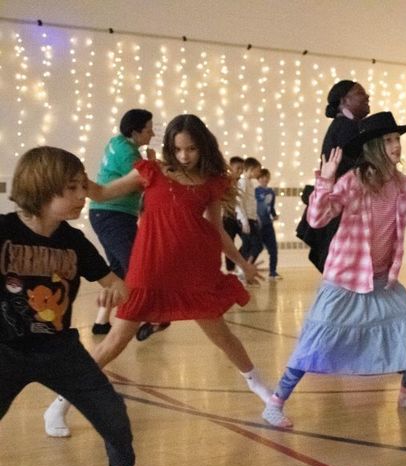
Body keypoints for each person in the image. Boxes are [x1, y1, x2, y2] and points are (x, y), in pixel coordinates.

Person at [43, 114, 271, 438]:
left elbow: (217, 229)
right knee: (115, 341)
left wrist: (242, 263)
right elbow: (103, 192)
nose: (184, 156)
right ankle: (60, 403)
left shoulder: (211, 182)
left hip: (193, 269)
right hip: (148, 268)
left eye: (191, 149)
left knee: (222, 335)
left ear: (203, 146)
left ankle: (261, 388)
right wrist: (75, 178)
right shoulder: (151, 171)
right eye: (177, 149)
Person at [263, 111, 406, 428]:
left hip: (382, 281)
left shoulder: (404, 186)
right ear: (374, 147)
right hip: (343, 279)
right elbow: (317, 219)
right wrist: (324, 181)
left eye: (397, 139)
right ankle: (275, 403)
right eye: (388, 140)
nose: (396, 145)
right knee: (313, 343)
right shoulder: (352, 181)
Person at [2, 146, 147, 466]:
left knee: (111, 411)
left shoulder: (74, 241)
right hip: (6, 349)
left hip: (59, 350)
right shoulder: (4, 231)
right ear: (41, 189)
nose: (83, 195)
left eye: (83, 186)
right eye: (72, 188)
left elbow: (117, 284)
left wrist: (115, 291)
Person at [89, 108, 167, 342]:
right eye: (149, 129)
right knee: (137, 265)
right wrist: (152, 163)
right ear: (135, 131)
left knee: (119, 271)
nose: (152, 133)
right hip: (114, 214)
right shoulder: (127, 152)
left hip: (105, 214)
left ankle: (101, 322)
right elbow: (145, 180)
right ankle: (147, 318)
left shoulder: (117, 143)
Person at [296, 80, 371, 272]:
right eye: (360, 93)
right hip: (342, 209)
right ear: (345, 100)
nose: (367, 96)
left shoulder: (342, 126)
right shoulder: (347, 127)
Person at [236, 157, 264, 271]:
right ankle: (244, 268)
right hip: (245, 219)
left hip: (251, 219)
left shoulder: (249, 183)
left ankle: (243, 268)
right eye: (258, 170)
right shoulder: (242, 182)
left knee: (248, 245)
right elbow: (239, 202)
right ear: (251, 169)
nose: (259, 173)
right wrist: (244, 221)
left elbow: (250, 203)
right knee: (256, 245)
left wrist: (256, 217)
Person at [255, 168, 281, 280]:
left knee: (273, 249)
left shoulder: (271, 192)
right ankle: (247, 269)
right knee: (256, 248)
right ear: (258, 179)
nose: (264, 179)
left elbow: (271, 208)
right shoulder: (255, 191)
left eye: (266, 177)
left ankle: (273, 272)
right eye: (261, 177)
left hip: (268, 224)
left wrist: (274, 215)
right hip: (257, 225)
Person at [222, 156, 245, 273]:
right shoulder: (225, 181)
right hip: (228, 216)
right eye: (238, 168)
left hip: (241, 217)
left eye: (242, 168)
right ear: (230, 167)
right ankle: (230, 269)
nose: (240, 171)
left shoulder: (243, 182)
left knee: (249, 241)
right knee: (229, 242)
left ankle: (239, 263)